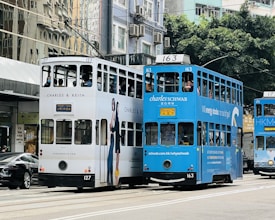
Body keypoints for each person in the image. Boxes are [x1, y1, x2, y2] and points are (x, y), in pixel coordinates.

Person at [107, 98, 116, 185]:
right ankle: (109, 179)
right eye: (112, 104)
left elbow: (114, 128)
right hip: (111, 139)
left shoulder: (114, 115)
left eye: (113, 104)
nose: (112, 106)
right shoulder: (112, 114)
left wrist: (111, 128)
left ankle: (110, 179)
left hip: (113, 140)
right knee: (109, 160)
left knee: (110, 159)